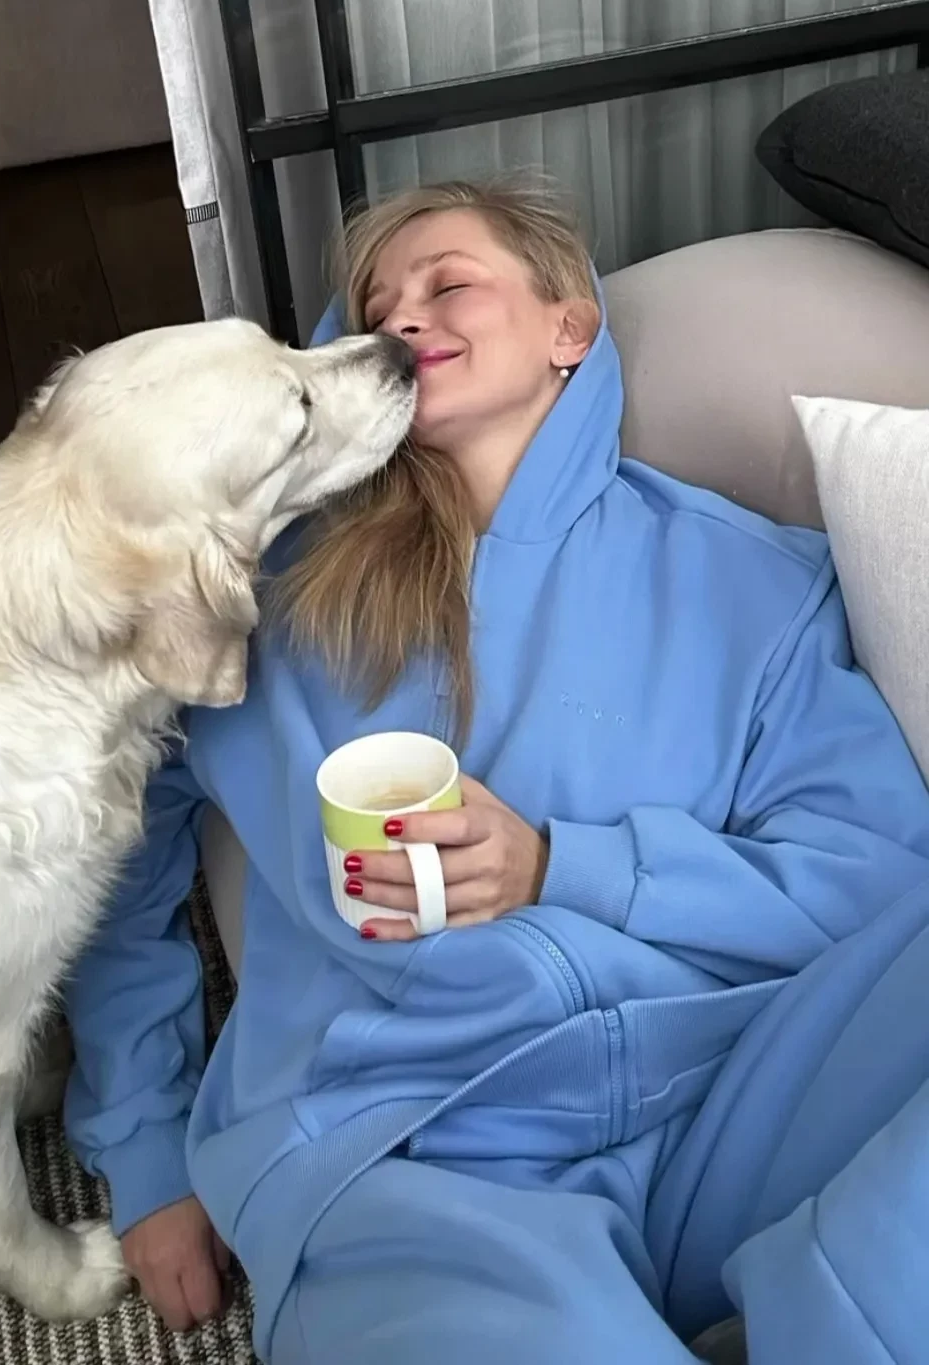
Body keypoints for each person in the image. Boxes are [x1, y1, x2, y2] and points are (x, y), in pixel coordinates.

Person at [64, 179, 929, 1363]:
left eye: (449, 282)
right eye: (376, 308)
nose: (404, 317)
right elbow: (108, 836)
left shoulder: (753, 581)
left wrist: (563, 866)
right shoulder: (269, 603)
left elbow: (877, 875)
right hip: (418, 1145)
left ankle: (833, 1309)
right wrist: (144, 1149)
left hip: (729, 1089)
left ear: (570, 326)